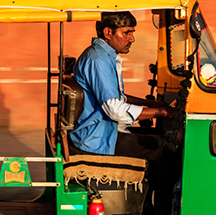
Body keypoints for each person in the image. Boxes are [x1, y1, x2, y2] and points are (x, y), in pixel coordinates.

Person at [68, 11, 173, 161]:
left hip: (103, 131)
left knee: (159, 137)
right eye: (126, 33)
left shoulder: (104, 55)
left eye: (132, 32)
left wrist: (150, 104)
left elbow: (116, 97)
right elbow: (114, 108)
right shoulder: (98, 59)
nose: (132, 39)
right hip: (96, 137)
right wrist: (160, 112)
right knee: (166, 148)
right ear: (108, 32)